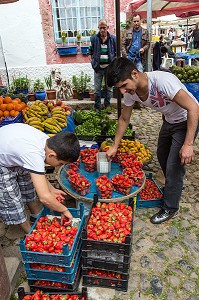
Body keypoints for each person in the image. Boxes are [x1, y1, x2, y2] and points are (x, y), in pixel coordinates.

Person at [106, 57, 199, 225]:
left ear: (135, 74)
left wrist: (188, 144)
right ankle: (175, 185)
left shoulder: (163, 81)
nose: (122, 92)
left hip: (186, 120)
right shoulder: (131, 93)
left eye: (123, 86)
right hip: (169, 120)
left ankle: (171, 207)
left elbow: (194, 107)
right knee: (162, 154)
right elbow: (124, 119)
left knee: (173, 164)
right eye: (118, 88)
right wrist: (114, 146)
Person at [0, 123, 80, 233]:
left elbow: (38, 174)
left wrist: (51, 189)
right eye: (60, 163)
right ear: (51, 155)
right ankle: (31, 232)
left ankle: (36, 215)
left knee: (27, 184)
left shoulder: (47, 142)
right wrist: (64, 210)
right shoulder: (34, 154)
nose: (59, 166)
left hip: (11, 148)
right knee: (12, 199)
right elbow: (44, 198)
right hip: (2, 161)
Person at [87, 19, 116, 112]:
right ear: (98, 28)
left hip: (109, 68)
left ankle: (107, 106)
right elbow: (89, 52)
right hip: (98, 68)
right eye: (101, 28)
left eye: (104, 27)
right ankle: (97, 107)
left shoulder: (113, 39)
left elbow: (116, 52)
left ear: (107, 28)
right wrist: (93, 63)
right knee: (97, 90)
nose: (102, 30)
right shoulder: (94, 39)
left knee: (109, 89)